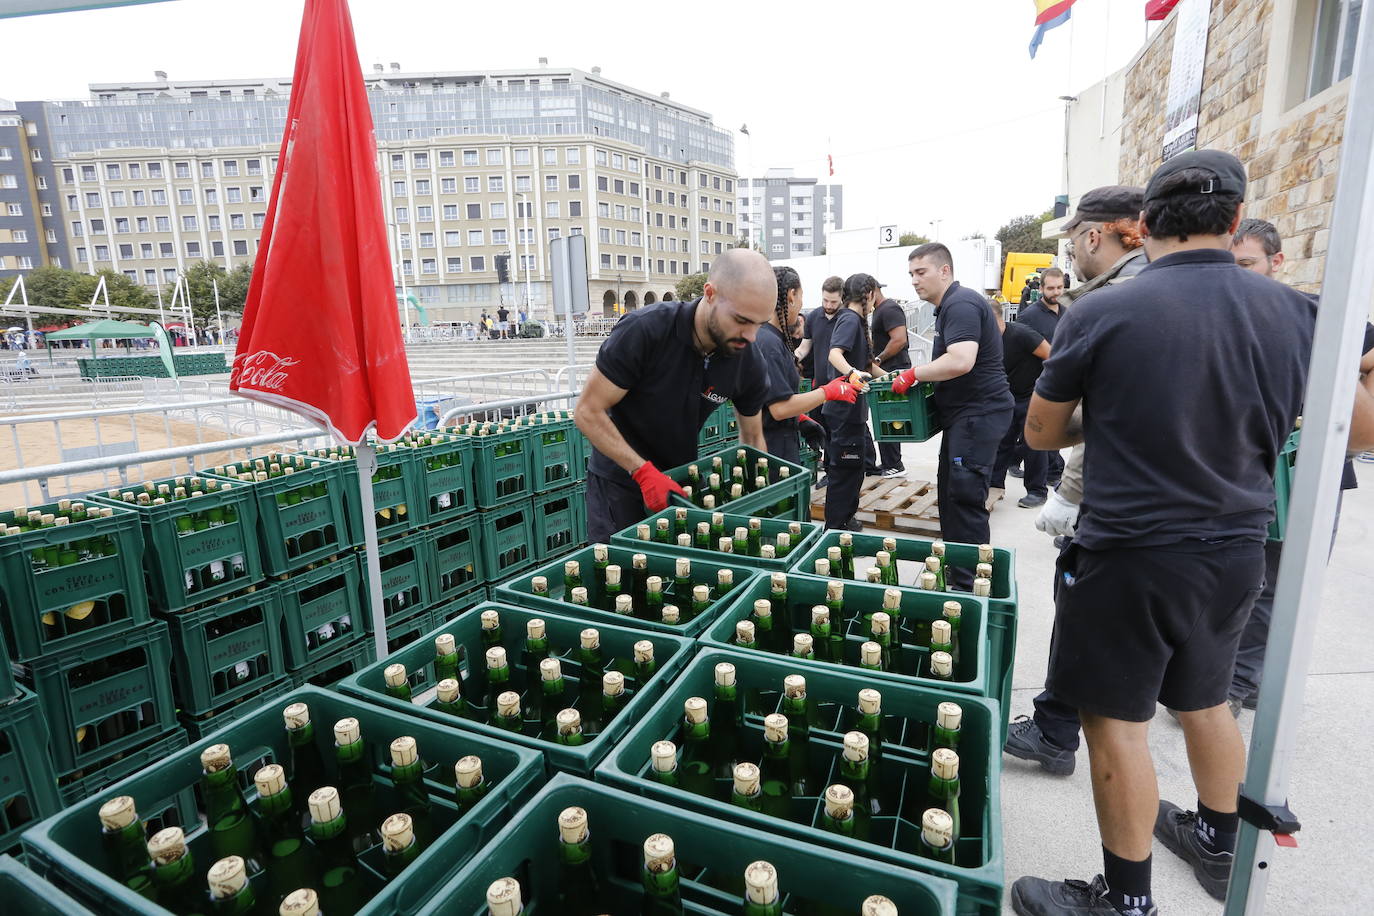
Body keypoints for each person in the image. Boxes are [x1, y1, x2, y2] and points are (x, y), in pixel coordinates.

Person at [1009, 150, 1374, 916]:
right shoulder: (1298, 312)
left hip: (1129, 554)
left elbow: (1042, 434)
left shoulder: (1102, 312)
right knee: (1206, 701)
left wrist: (1108, 412)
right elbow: (1356, 425)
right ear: (1236, 220)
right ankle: (1218, 840)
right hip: (1237, 550)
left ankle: (1125, 900)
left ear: (1146, 227)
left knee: (1117, 725)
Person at [1005, 186, 1147, 776]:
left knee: (1081, 611)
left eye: (1071, 240)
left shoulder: (1109, 305)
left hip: (1112, 503)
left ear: (1094, 236)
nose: (1068, 259)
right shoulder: (1244, 301)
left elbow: (1072, 423)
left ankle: (1057, 731)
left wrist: (1068, 492)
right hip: (1196, 518)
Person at [1222, 218, 1374, 712]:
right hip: (1241, 469)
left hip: (1306, 475)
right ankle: (1235, 677)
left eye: (1247, 264)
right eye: (1231, 264)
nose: (1238, 274)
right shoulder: (1222, 313)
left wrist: (1349, 423)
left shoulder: (1314, 312)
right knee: (1237, 583)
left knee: (1279, 584)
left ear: (1277, 262)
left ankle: (1241, 684)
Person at [573, 248, 778, 543]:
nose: (751, 336)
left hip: (680, 484)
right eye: (741, 320)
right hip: (620, 484)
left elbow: (753, 440)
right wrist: (643, 472)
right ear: (710, 293)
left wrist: (758, 498)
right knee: (622, 578)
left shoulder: (747, 359)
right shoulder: (646, 331)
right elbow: (587, 412)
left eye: (759, 324)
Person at [890, 243, 1012, 585]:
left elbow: (960, 360)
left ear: (945, 271)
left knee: (964, 500)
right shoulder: (948, 307)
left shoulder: (960, 304)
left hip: (978, 415)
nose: (914, 280)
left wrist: (912, 374)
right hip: (967, 418)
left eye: (921, 272)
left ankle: (968, 585)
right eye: (911, 274)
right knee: (950, 496)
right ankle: (959, 568)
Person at [751, 266, 860, 463]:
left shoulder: (771, 337)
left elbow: (769, 397)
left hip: (778, 439)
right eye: (801, 296)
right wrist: (827, 392)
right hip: (774, 450)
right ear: (791, 295)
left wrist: (799, 418)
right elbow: (779, 408)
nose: (801, 304)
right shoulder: (769, 343)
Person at [821, 274, 879, 530]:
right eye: (875, 294)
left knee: (854, 469)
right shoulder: (849, 319)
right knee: (844, 471)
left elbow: (868, 366)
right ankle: (835, 527)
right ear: (867, 295)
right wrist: (851, 374)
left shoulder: (856, 321)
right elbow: (834, 354)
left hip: (853, 412)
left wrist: (898, 378)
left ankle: (846, 519)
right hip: (844, 411)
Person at [989, 302, 1051, 505]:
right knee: (1001, 441)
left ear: (998, 318)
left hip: (1032, 396)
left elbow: (1053, 356)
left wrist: (1045, 388)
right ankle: (994, 486)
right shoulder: (986, 340)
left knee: (1033, 444)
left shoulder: (1021, 334)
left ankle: (1037, 491)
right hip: (1005, 397)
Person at [1013, 266, 1068, 488]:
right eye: (1051, 288)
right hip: (1034, 385)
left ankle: (1052, 471)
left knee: (1053, 432)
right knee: (1037, 435)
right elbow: (1018, 349)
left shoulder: (1067, 311)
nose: (1056, 292)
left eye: (1060, 288)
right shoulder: (1029, 317)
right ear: (1041, 288)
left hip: (1061, 382)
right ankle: (1045, 476)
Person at [870, 280, 912, 478]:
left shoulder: (889, 308)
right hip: (886, 369)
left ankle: (894, 464)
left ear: (872, 292)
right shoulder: (880, 310)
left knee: (890, 416)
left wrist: (878, 359)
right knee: (884, 418)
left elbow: (899, 339)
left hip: (893, 369)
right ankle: (890, 462)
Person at [794, 275, 844, 386]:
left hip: (843, 385)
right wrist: (791, 359)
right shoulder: (813, 317)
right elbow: (804, 348)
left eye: (833, 302)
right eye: (825, 300)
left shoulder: (847, 318)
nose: (829, 305)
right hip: (820, 386)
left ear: (842, 297)